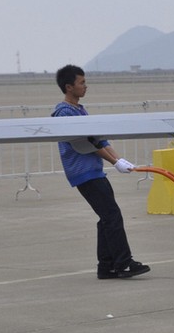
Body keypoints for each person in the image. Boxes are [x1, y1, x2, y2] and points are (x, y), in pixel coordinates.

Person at [53, 64, 151, 279]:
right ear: (69, 87)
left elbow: (99, 140)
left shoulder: (79, 110)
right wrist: (114, 162)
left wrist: (119, 159)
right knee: (112, 215)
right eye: (81, 83)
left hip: (94, 171)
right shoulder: (65, 112)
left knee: (106, 217)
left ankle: (106, 266)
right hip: (84, 172)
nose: (85, 86)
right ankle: (123, 263)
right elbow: (87, 143)